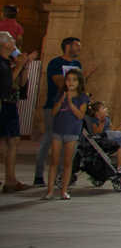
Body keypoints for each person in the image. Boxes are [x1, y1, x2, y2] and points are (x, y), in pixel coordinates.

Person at [34, 37, 86, 187]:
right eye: (77, 46)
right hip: (55, 105)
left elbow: (78, 86)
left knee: (68, 141)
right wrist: (74, 82)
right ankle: (38, 175)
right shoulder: (55, 63)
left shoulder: (77, 64)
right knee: (49, 138)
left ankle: (61, 177)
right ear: (67, 46)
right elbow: (59, 82)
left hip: (72, 108)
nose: (79, 49)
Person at [45, 69, 88, 200]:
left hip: (72, 132)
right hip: (58, 131)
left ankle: (64, 191)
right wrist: (62, 99)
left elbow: (80, 115)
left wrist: (70, 102)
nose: (71, 82)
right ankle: (50, 191)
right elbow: (53, 112)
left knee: (67, 163)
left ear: (79, 82)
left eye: (74, 80)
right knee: (54, 161)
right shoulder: (60, 94)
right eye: (68, 79)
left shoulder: (82, 97)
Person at [0, 32, 32, 192]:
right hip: (2, 105)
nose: (14, 41)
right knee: (5, 143)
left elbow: (20, 84)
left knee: (13, 141)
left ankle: (10, 180)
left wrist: (24, 66)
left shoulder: (10, 61)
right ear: (4, 44)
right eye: (11, 39)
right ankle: (8, 179)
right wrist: (19, 66)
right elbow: (5, 84)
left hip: (11, 104)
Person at [85, 101, 121, 172]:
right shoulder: (94, 120)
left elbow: (114, 132)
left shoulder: (107, 118)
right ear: (97, 112)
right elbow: (97, 133)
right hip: (104, 137)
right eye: (103, 108)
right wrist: (102, 122)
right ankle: (119, 167)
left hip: (111, 134)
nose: (106, 109)